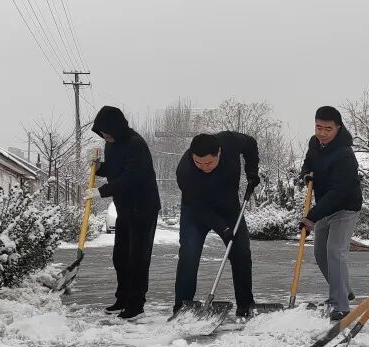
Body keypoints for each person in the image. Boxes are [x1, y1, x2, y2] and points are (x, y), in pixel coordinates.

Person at [173, 131, 261, 318]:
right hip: (196, 211)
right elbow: (199, 208)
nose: (204, 167)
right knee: (189, 255)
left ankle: (245, 305)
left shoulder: (230, 141)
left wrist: (252, 172)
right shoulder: (185, 172)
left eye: (208, 163)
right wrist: (223, 228)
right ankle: (182, 307)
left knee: (241, 252)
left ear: (219, 152)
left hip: (229, 208)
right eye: (198, 163)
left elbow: (251, 145)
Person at [88, 106, 161, 321]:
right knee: (120, 257)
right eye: (102, 132)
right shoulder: (111, 143)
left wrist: (102, 191)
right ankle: (122, 299)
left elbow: (132, 177)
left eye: (107, 132)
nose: (105, 136)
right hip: (125, 209)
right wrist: (99, 168)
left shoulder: (135, 144)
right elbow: (115, 169)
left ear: (117, 128)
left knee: (137, 259)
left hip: (143, 209)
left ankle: (136, 305)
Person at [299, 106, 363, 321]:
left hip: (345, 207)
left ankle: (340, 305)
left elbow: (338, 192)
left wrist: (311, 217)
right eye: (319, 127)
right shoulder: (315, 143)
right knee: (320, 253)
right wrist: (306, 174)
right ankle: (344, 290)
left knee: (335, 251)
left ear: (338, 128)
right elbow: (308, 163)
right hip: (324, 206)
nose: (322, 133)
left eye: (328, 129)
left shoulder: (345, 155)